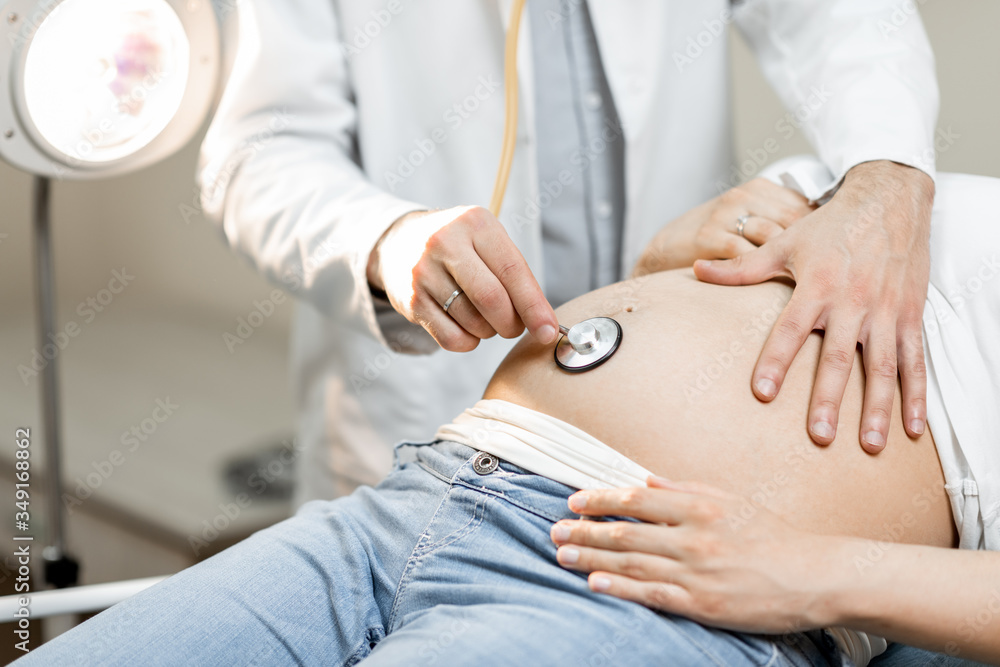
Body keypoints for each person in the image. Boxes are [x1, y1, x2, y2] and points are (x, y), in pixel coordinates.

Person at [18, 166, 999, 666]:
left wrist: (810, 571)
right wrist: (674, 249)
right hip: (417, 496)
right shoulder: (911, 183)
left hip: (645, 580)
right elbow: (706, 289)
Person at [199, 0, 941, 502]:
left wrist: (886, 170)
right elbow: (260, 152)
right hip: (431, 421)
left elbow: (839, 16)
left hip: (677, 417)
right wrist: (387, 242)